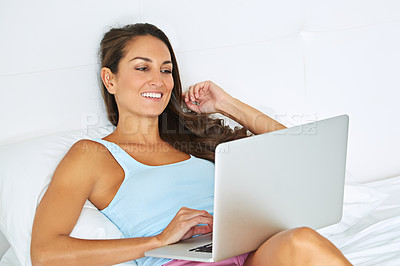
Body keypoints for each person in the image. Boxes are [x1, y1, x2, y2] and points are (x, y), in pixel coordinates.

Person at [30, 23, 352, 266]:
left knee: (303, 240)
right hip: (182, 261)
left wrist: (227, 104)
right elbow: (45, 252)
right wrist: (158, 240)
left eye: (166, 70)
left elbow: (298, 156)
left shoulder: (191, 141)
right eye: (142, 68)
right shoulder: (92, 156)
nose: (158, 80)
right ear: (110, 79)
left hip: (250, 252)